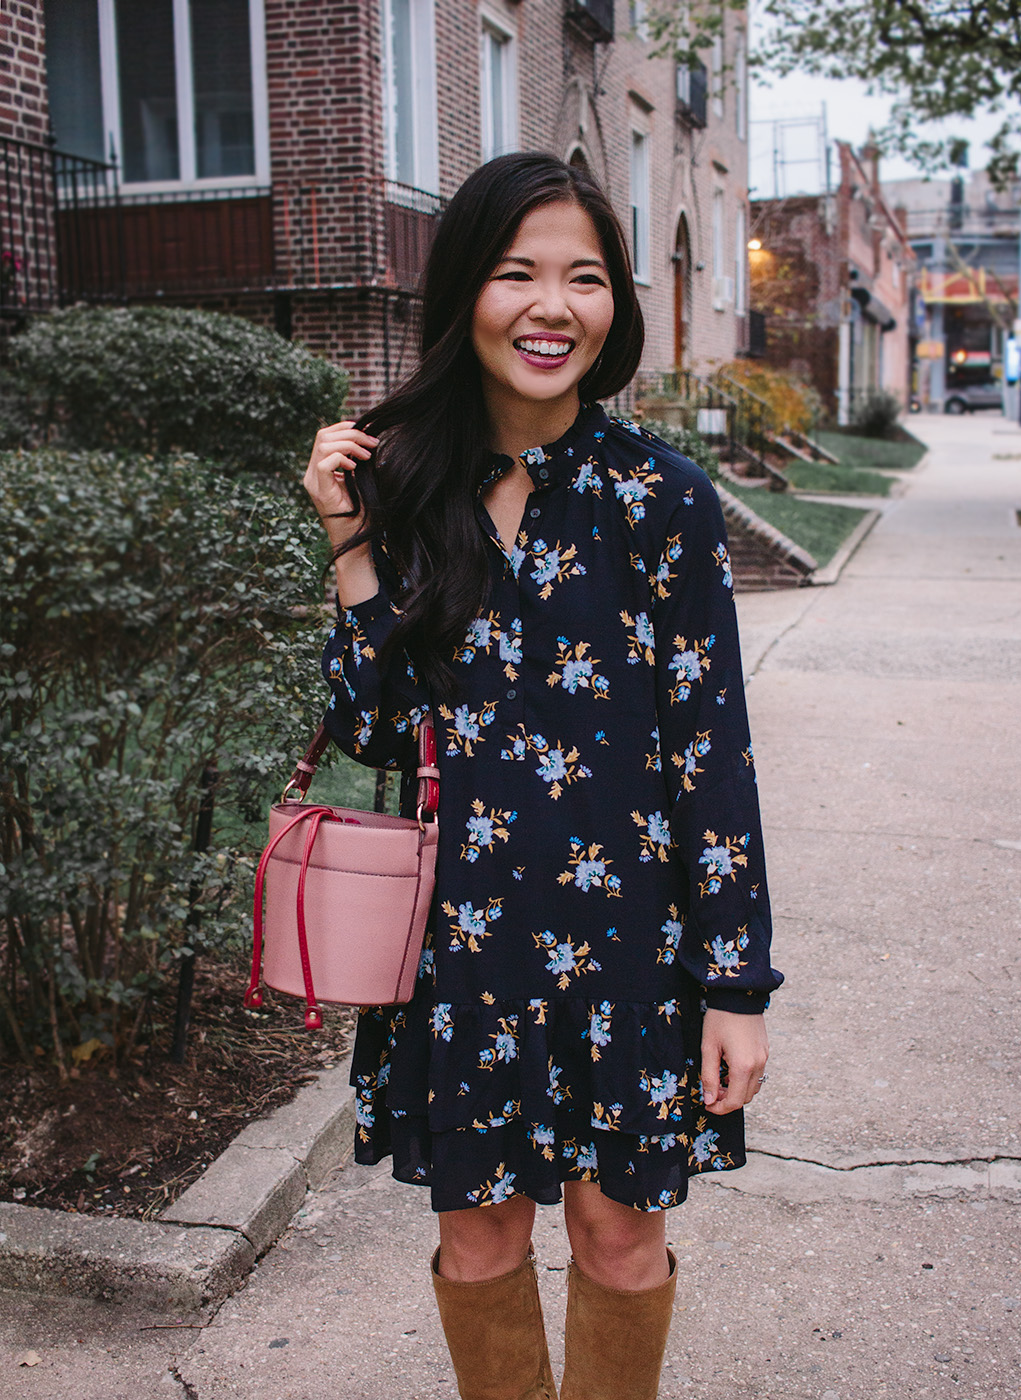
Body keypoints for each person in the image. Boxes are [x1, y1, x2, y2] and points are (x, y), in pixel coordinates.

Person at [304, 152, 783, 1400]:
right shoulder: (407, 489)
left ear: (614, 303)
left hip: (633, 946)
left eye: (583, 277)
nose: (551, 307)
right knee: (479, 1239)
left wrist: (734, 984)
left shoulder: (664, 502)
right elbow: (372, 728)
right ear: (466, 289)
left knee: (618, 1238)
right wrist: (351, 542)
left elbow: (712, 757)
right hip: (463, 946)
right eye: (517, 272)